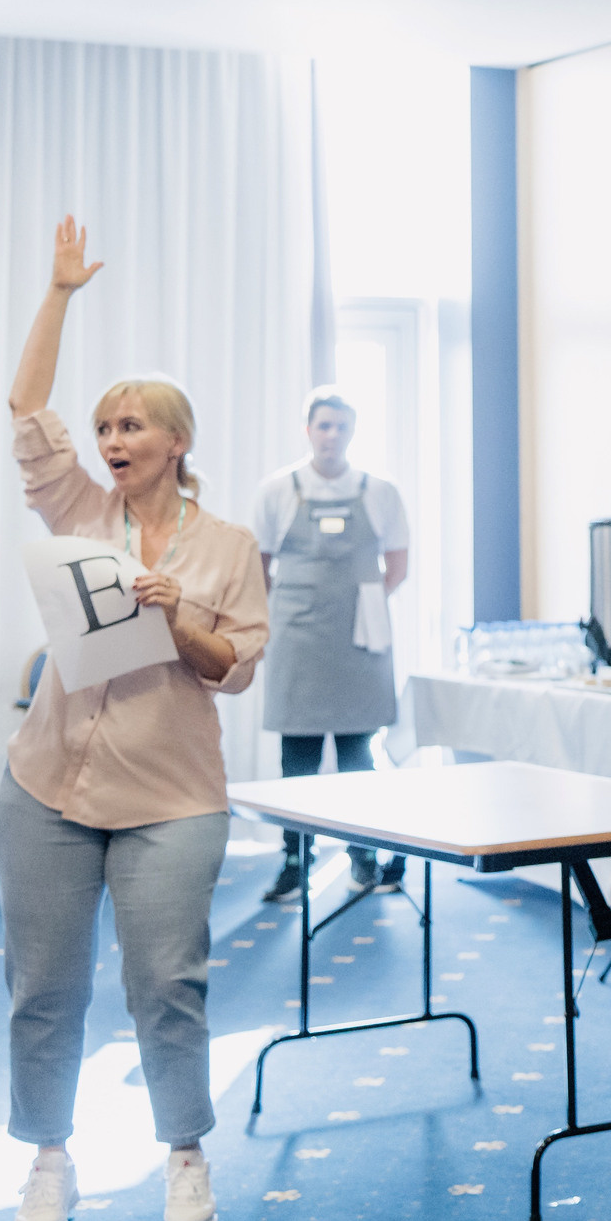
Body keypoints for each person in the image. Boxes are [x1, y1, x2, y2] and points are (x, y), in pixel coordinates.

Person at [0, 217, 267, 1221]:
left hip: (171, 797)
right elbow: (26, 407)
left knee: (164, 984)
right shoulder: (77, 510)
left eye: (131, 427)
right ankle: (47, 1162)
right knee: (43, 989)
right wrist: (60, 293)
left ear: (176, 442)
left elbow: (234, 666)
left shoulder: (228, 544)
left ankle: (184, 1157)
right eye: (105, 426)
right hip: (45, 787)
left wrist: (178, 616)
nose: (111, 442)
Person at [253, 385, 412, 899]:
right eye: (323, 425)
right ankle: (294, 861)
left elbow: (397, 565)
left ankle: (362, 858)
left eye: (341, 426)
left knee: (358, 757)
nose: (332, 435)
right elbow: (259, 567)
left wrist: (359, 604)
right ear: (308, 430)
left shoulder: (380, 491)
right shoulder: (278, 490)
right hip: (297, 638)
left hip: (359, 640)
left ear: (353, 432)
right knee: (297, 759)